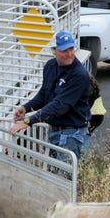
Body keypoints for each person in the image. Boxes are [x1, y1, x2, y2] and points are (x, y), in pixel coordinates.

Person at [10, 31, 91, 159]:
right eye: (64, 50)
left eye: (71, 48)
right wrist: (25, 108)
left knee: (65, 178)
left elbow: (60, 105)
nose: (70, 54)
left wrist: (29, 120)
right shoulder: (50, 66)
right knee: (53, 175)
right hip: (54, 130)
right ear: (54, 50)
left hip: (72, 133)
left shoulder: (79, 74)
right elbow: (44, 95)